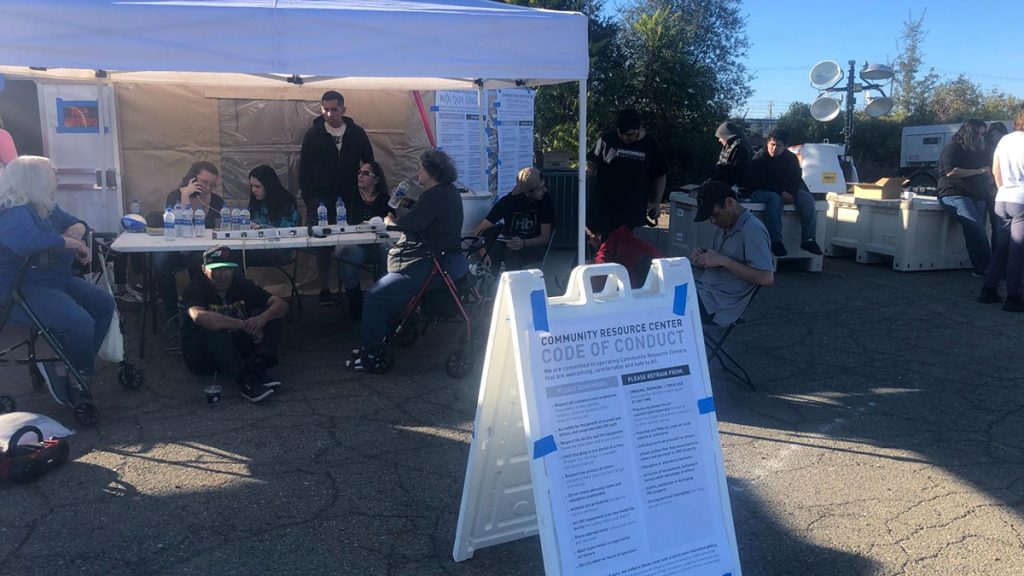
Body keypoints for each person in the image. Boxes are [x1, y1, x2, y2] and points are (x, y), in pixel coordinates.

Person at [0, 156, 115, 404]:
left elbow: (76, 222)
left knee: (104, 303)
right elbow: (26, 242)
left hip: (57, 280)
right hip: (23, 287)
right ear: (35, 179)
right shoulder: (12, 211)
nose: (56, 177)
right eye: (52, 172)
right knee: (80, 322)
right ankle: (77, 373)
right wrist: (72, 243)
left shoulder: (44, 206)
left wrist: (77, 231)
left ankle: (68, 366)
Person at [347, 149, 466, 371]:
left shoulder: (434, 196)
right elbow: (426, 216)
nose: (418, 171)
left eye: (421, 167)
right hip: (451, 262)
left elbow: (409, 223)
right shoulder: (447, 192)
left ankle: (371, 349)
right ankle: (385, 332)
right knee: (387, 284)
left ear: (430, 171)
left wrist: (389, 220)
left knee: (375, 295)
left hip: (434, 265)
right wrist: (410, 204)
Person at [181, 245, 289, 402]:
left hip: (234, 348)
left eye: (227, 269)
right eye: (216, 269)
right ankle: (245, 380)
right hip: (202, 356)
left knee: (273, 315)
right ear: (204, 270)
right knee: (213, 329)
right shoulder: (196, 287)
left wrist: (262, 319)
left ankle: (259, 367)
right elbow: (199, 316)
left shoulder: (241, 284)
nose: (222, 274)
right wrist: (244, 324)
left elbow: (281, 304)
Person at [299, 90, 376, 307]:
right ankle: (325, 288)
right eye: (325, 109)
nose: (330, 114)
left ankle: (352, 289)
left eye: (334, 109)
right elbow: (303, 169)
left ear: (343, 109)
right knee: (322, 246)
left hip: (350, 198)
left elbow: (369, 162)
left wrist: (365, 190)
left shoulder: (357, 133)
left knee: (351, 243)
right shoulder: (313, 134)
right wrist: (309, 198)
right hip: (320, 198)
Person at [689, 180, 774, 326]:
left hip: (720, 304)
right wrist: (703, 255)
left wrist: (723, 260)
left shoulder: (752, 230)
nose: (713, 221)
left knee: (665, 307)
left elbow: (766, 278)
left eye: (715, 214)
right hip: (705, 291)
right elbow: (717, 258)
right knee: (660, 293)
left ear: (730, 202)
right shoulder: (724, 223)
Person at [153, 161, 226, 323]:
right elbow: (176, 227)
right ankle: (171, 313)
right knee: (161, 261)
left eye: (212, 184)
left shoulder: (216, 201)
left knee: (198, 262)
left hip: (200, 251)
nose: (208, 188)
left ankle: (199, 308)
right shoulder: (174, 196)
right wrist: (185, 197)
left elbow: (220, 230)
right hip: (176, 249)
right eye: (205, 182)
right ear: (192, 179)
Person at [586, 109, 668, 235]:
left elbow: (661, 175)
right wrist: (588, 172)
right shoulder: (606, 140)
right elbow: (591, 164)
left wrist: (657, 203)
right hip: (604, 209)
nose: (625, 138)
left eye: (630, 135)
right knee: (604, 249)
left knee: (627, 249)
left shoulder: (651, 144)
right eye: (621, 134)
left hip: (632, 211)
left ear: (639, 129)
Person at [747, 128, 822, 257]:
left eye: (778, 146)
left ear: (785, 146)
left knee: (807, 198)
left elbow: (796, 178)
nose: (774, 148)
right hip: (760, 192)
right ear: (768, 143)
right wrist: (782, 193)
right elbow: (760, 181)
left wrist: (792, 193)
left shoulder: (791, 158)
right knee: (774, 198)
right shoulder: (759, 159)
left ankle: (808, 240)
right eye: (772, 144)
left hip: (786, 191)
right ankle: (775, 241)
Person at [471, 167, 555, 274]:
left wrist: (524, 243)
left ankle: (515, 287)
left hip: (533, 245)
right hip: (509, 242)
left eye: (544, 186)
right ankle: (492, 284)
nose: (545, 190)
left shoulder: (545, 200)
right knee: (494, 249)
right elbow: (478, 231)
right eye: (540, 189)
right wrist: (484, 253)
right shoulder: (507, 202)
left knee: (512, 254)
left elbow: (544, 238)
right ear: (528, 193)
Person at [980, 106, 1024, 311]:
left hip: (1003, 198)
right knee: (1018, 251)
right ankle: (1014, 298)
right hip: (1021, 201)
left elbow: (996, 170)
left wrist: (1003, 190)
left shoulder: (1005, 140)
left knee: (1002, 248)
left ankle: (989, 290)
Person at [936, 119, 992, 277]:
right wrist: (979, 171)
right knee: (976, 227)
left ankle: (980, 268)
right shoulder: (952, 149)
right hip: (954, 193)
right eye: (978, 134)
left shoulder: (979, 151)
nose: (981, 137)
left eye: (983, 134)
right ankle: (988, 266)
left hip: (977, 194)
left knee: (975, 230)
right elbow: (952, 171)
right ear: (969, 133)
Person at [336, 160, 391, 320]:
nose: (360, 176)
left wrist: (387, 219)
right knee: (349, 252)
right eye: (359, 172)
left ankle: (382, 295)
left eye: (365, 173)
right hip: (355, 242)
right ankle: (355, 301)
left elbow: (389, 220)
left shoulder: (384, 198)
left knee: (386, 249)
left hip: (376, 243)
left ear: (376, 179)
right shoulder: (348, 196)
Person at [243, 165, 300, 268]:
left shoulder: (285, 202)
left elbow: (288, 231)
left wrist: (262, 228)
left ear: (268, 185)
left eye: (257, 186)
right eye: (251, 186)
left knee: (237, 256)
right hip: (255, 246)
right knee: (233, 253)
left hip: (279, 250)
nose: (253, 190)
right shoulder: (255, 201)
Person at [588, 222, 665, 289]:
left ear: (598, 235)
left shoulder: (607, 252)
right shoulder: (643, 246)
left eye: (589, 237)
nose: (589, 242)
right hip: (657, 294)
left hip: (629, 300)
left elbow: (589, 282)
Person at [984, 121, 1010, 248]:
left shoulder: (993, 149)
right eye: (995, 136)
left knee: (999, 226)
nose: (997, 139)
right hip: (993, 191)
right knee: (997, 225)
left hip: (997, 190)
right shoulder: (987, 150)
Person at [711, 121, 752, 193]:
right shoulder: (733, 145)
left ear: (726, 136)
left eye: (720, 137)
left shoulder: (739, 147)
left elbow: (735, 172)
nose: (719, 140)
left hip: (736, 188)